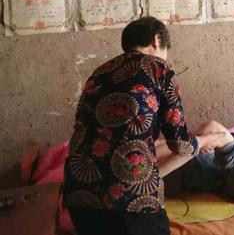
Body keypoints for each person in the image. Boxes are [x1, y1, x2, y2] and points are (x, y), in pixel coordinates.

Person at [63, 17, 221, 235]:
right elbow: (181, 145)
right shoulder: (158, 68)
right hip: (129, 198)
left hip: (80, 191)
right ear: (156, 40)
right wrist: (206, 140)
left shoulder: (99, 73)